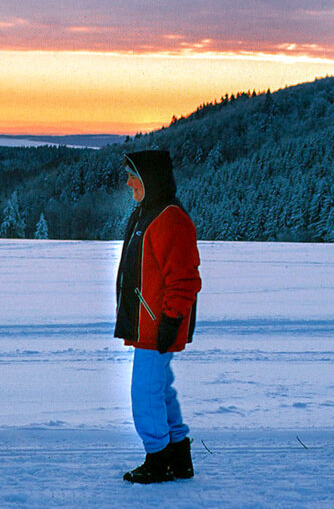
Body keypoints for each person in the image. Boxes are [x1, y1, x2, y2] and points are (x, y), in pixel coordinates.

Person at [115, 150, 202, 483]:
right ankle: (178, 457)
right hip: (148, 322)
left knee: (145, 394)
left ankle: (158, 460)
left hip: (158, 325)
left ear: (148, 179)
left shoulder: (169, 218)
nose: (128, 183)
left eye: (132, 176)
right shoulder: (148, 213)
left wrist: (169, 320)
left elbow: (184, 278)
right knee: (162, 391)